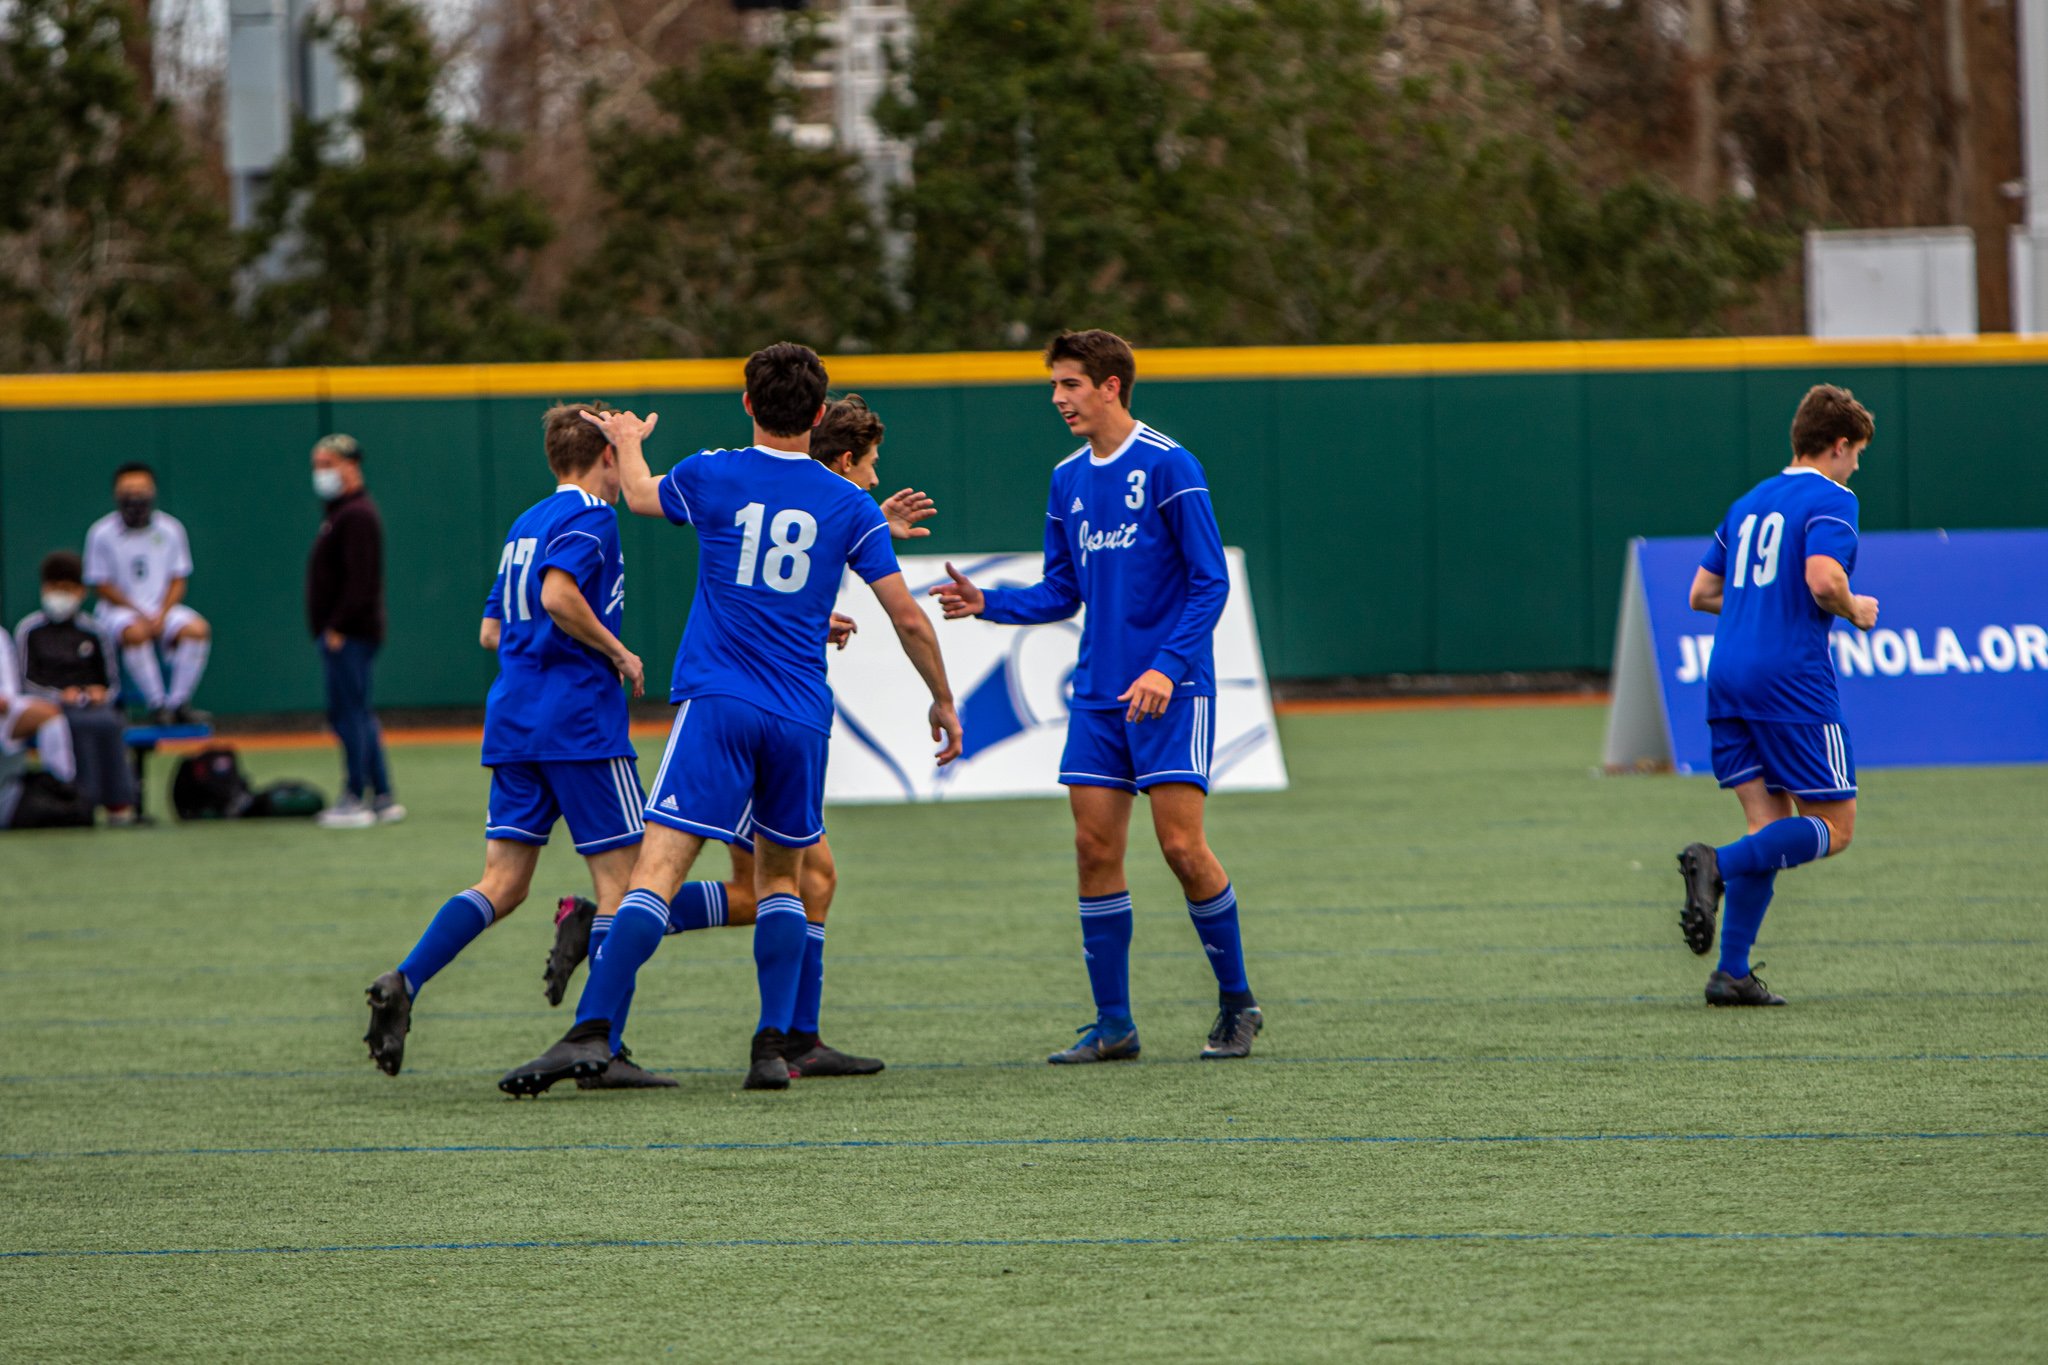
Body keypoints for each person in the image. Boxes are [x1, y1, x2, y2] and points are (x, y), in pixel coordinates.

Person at [500, 344, 962, 1097]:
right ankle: (771, 1049)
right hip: (800, 715)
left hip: (718, 703)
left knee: (655, 874)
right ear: (819, 415)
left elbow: (638, 494)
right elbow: (908, 617)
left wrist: (628, 439)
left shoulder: (713, 473)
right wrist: (941, 697)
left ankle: (590, 1032)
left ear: (747, 403)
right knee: (782, 880)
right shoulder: (849, 505)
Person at [932, 329, 1259, 1064]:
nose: (1057, 398)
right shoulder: (1067, 478)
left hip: (1172, 692)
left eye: (1070, 384)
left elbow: (1210, 581)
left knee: (1182, 848)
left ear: (1111, 386)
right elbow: (1062, 590)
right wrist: (989, 602)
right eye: (1055, 384)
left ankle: (1238, 1001)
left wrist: (1167, 668)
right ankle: (1114, 1025)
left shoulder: (1171, 465)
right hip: (1098, 696)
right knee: (1092, 849)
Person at [629, 393, 937, 1080]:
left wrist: (871, 531)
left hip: (744, 705)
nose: (876, 479)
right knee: (782, 884)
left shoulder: (797, 497)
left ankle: (798, 1035)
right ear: (843, 460)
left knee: (802, 881)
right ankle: (609, 929)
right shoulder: (827, 500)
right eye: (871, 465)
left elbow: (775, 566)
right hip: (758, 713)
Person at [363, 404, 672, 1085]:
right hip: (580, 724)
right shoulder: (593, 517)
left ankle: (406, 979)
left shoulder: (525, 523)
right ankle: (602, 1047)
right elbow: (559, 596)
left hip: (514, 720)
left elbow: (491, 632)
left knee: (502, 883)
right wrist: (618, 651)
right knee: (625, 887)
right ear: (606, 456)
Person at [1676, 384, 1878, 1007]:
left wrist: (1761, 605)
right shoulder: (1833, 498)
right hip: (1789, 679)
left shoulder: (1749, 502)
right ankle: (1716, 863)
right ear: (1838, 445)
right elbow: (1824, 581)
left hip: (1728, 674)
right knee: (1834, 827)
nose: (1856, 466)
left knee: (1769, 826)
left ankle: (1730, 973)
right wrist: (1855, 609)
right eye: (1857, 453)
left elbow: (1701, 593)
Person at [306, 434, 403, 828]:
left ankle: (354, 795)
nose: (321, 472)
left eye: (328, 464)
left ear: (351, 465)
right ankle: (382, 795)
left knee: (350, 715)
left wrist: (338, 627)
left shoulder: (356, 514)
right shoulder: (340, 512)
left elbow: (361, 581)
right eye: (317, 465)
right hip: (347, 632)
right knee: (358, 712)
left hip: (350, 634)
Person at [14, 551, 141, 823]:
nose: (61, 595)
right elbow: (23, 681)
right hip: (50, 707)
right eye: (55, 587)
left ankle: (119, 803)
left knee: (109, 721)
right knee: (78, 724)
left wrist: (100, 694)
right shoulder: (29, 630)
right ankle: (82, 801)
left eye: (68, 588)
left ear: (81, 591)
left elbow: (110, 682)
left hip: (93, 706)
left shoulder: (94, 631)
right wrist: (60, 696)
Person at [83, 462, 211, 725]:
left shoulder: (171, 529)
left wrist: (161, 614)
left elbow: (178, 579)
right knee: (135, 633)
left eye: (141, 489)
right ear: (116, 493)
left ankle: (178, 704)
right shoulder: (101, 533)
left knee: (197, 630)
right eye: (128, 490)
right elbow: (101, 584)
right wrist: (139, 613)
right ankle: (157, 705)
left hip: (162, 609)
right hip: (118, 612)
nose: (135, 496)